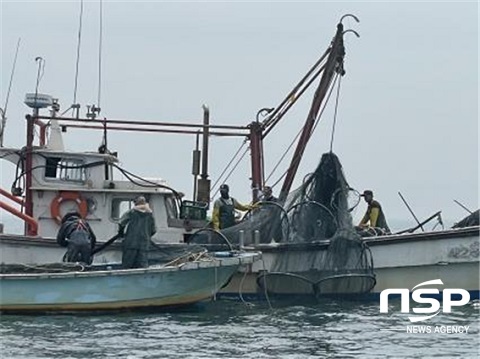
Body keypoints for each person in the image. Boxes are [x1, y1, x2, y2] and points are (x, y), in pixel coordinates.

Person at [117, 196, 157, 269]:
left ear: (136, 203)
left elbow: (121, 223)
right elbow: (154, 230)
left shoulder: (132, 212)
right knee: (142, 267)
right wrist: (147, 237)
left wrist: (121, 233)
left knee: (127, 266)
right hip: (144, 245)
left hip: (131, 243)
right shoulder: (150, 214)